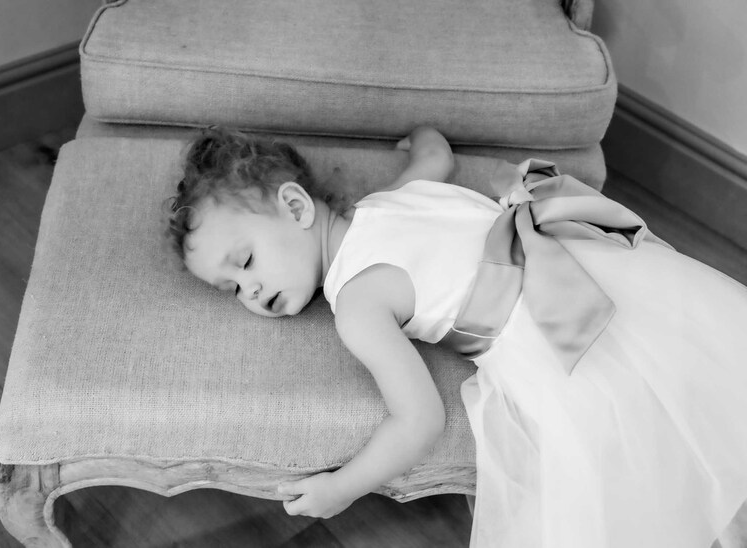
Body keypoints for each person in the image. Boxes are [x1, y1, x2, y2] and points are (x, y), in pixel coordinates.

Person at [167, 125, 747, 548]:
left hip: (549, 341)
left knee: (627, 478)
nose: (248, 291)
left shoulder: (359, 304)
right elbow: (436, 155)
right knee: (701, 376)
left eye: (245, 261)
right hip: (589, 270)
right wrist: (419, 136)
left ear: (295, 206)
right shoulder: (392, 198)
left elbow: (420, 420)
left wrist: (342, 487)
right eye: (230, 289)